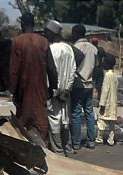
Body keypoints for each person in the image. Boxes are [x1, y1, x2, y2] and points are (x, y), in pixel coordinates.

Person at [9, 12, 56, 143]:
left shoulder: (17, 41)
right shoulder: (43, 41)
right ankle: (42, 150)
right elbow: (51, 69)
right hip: (40, 90)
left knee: (22, 122)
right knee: (41, 122)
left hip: (23, 91)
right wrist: (53, 87)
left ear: (22, 24)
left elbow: (14, 70)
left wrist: (13, 90)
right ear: (34, 24)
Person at [45, 19, 75, 155]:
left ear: (52, 33)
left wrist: (53, 89)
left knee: (54, 119)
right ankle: (67, 148)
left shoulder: (50, 49)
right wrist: (68, 88)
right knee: (65, 118)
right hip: (66, 90)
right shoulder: (68, 48)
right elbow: (73, 70)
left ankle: (58, 150)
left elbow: (50, 71)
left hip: (53, 90)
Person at [71, 24, 98, 150]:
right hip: (89, 83)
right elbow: (96, 66)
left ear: (76, 34)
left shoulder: (74, 47)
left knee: (76, 112)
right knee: (89, 112)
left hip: (78, 83)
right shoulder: (93, 48)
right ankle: (91, 141)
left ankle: (76, 143)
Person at [98, 54, 118, 146]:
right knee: (112, 123)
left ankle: (99, 137)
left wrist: (102, 104)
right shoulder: (114, 75)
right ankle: (111, 139)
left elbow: (105, 90)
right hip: (113, 101)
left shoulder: (107, 75)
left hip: (107, 102)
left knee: (101, 119)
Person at [91, 35, 104, 100]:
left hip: (93, 69)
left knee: (92, 84)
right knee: (99, 85)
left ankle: (91, 98)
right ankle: (99, 98)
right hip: (99, 69)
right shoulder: (100, 49)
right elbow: (105, 56)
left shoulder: (91, 50)